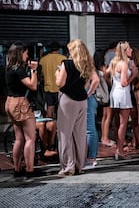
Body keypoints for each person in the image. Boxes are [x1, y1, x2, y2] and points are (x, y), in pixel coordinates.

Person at [55, 39, 95, 175]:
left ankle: (68, 166)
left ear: (73, 51)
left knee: (65, 134)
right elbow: (86, 85)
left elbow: (60, 83)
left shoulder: (66, 64)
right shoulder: (87, 66)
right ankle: (79, 165)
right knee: (79, 134)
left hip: (67, 100)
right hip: (82, 101)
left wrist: (57, 74)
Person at [5, 42, 38, 178]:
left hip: (10, 103)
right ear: (20, 53)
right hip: (20, 104)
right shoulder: (18, 70)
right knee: (30, 138)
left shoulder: (8, 68)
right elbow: (33, 86)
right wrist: (34, 70)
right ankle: (30, 170)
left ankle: (17, 169)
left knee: (19, 138)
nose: (27, 55)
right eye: (25, 53)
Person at [107, 41, 138, 160]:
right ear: (125, 51)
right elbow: (124, 82)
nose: (131, 50)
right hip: (122, 93)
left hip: (115, 92)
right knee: (123, 123)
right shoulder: (123, 65)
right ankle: (119, 150)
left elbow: (106, 74)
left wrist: (112, 85)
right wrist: (133, 75)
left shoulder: (114, 63)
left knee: (117, 122)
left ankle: (118, 148)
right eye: (129, 48)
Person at [38, 42, 66, 156]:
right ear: (58, 49)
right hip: (60, 89)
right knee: (61, 111)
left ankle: (49, 132)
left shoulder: (43, 60)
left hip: (48, 89)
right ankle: (59, 132)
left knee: (49, 111)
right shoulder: (63, 58)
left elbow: (41, 75)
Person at [100, 41, 118, 147]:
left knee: (105, 115)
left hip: (104, 90)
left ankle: (103, 136)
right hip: (109, 89)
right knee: (109, 115)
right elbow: (107, 74)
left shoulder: (106, 55)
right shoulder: (114, 56)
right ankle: (106, 138)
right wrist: (111, 85)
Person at [84, 68, 99, 169]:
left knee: (89, 129)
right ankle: (90, 157)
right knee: (89, 129)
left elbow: (96, 80)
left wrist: (88, 94)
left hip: (87, 99)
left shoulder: (86, 65)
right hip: (88, 98)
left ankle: (91, 157)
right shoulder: (86, 65)